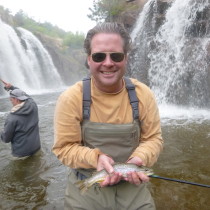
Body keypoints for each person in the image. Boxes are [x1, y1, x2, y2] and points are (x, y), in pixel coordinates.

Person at [52, 22, 163, 210]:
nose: (108, 63)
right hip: (87, 185)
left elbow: (153, 139)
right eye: (99, 56)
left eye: (116, 56)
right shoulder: (71, 98)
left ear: (126, 58)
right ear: (89, 59)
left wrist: (139, 160)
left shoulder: (143, 94)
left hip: (133, 186)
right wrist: (96, 159)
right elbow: (64, 148)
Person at [0, 82, 41, 159]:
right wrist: (11, 87)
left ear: (16, 100)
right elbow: (26, 95)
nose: (10, 101)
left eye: (11, 99)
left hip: (22, 154)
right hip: (36, 147)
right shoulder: (33, 104)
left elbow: (6, 139)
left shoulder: (12, 118)